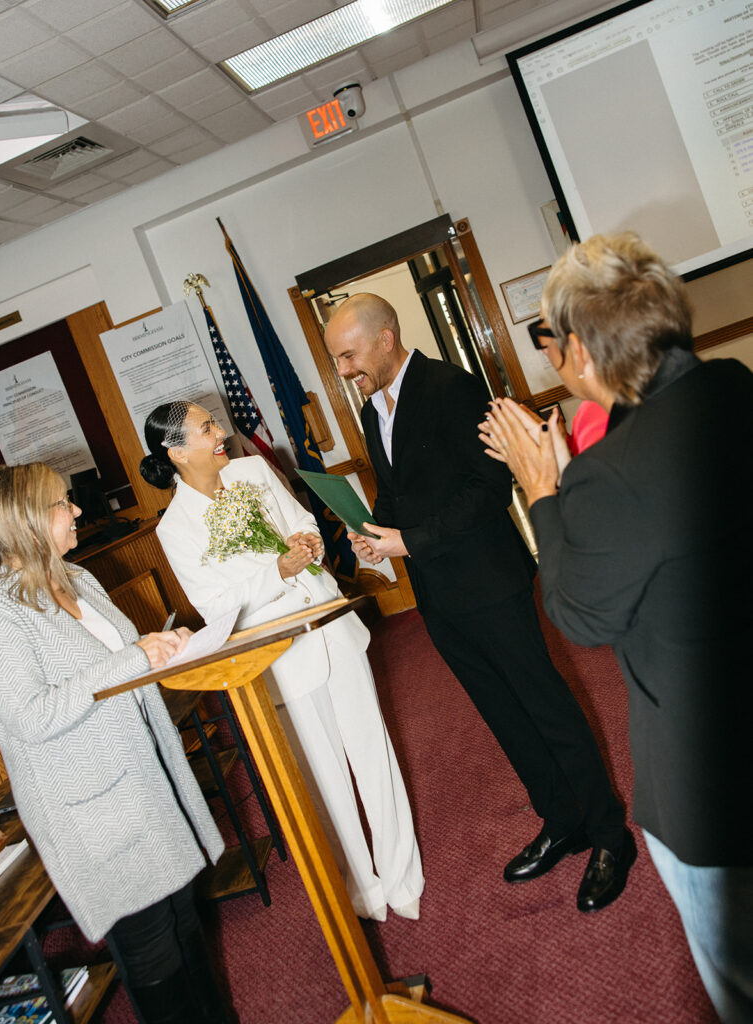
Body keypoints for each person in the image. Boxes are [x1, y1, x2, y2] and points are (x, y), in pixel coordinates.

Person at [481, 232, 753, 1022]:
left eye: (550, 341)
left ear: (581, 355)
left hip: (713, 785)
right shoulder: (734, 386)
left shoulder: (611, 471)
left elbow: (578, 613)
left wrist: (542, 491)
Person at [324, 292, 633, 914]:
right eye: (337, 361)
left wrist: (410, 539)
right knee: (501, 712)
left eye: (349, 356)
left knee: (545, 704)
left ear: (386, 338)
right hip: (436, 593)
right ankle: (561, 818)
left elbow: (488, 488)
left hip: (491, 583)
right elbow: (394, 491)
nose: (345, 371)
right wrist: (374, 533)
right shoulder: (370, 410)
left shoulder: (451, 387)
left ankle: (609, 836)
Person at [0, 463, 230, 1024]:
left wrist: (162, 645)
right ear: (27, 519)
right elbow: (33, 716)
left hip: (147, 780)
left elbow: (118, 664)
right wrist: (135, 658)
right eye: (63, 503)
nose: (78, 509)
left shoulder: (78, 579)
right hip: (95, 810)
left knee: (185, 927)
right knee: (154, 952)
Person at [139, 401, 424, 922]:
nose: (221, 433)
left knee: (372, 749)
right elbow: (215, 605)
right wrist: (278, 570)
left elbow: (303, 522)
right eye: (207, 429)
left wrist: (306, 543)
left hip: (331, 626)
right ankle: (363, 888)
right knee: (324, 776)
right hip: (279, 655)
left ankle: (403, 874)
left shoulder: (251, 469)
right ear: (176, 452)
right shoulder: (174, 527)